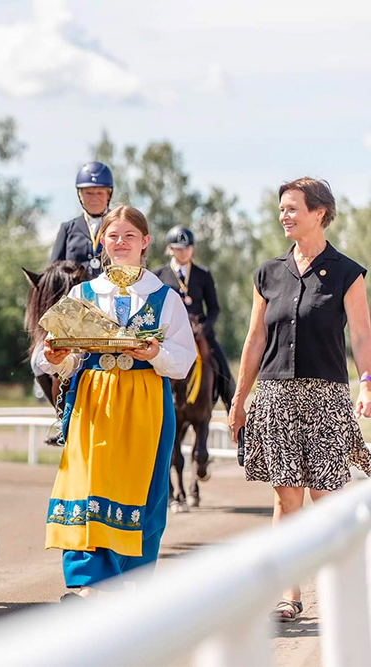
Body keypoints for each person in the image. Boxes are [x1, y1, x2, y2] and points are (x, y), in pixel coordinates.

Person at [33, 205, 195, 598]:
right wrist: (55, 358)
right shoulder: (81, 294)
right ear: (101, 242)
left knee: (144, 492)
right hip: (93, 403)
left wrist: (155, 353)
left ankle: (132, 585)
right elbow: (50, 353)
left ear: (145, 242)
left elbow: (184, 360)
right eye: (113, 236)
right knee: (86, 488)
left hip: (147, 404)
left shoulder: (165, 297)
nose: (120, 243)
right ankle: (87, 584)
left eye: (129, 236)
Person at [229, 177, 371, 622]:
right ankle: (287, 595)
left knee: (325, 498)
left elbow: (362, 336)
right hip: (274, 397)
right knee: (286, 501)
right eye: (282, 209)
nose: (284, 216)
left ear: (319, 212)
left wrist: (367, 382)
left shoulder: (348, 272)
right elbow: (254, 341)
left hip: (326, 397)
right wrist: (238, 399)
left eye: (293, 208)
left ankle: (339, 592)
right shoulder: (267, 274)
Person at [152, 226, 236, 412]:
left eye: (188, 247)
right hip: (170, 333)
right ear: (170, 249)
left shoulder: (203, 274)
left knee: (224, 369)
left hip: (200, 334)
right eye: (180, 248)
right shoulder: (158, 275)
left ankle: (233, 410)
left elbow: (214, 308)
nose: (184, 252)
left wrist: (204, 329)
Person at [49, 162, 115, 278]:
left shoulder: (118, 225)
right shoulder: (67, 228)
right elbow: (53, 271)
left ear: (109, 195)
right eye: (88, 193)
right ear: (79, 195)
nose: (94, 198)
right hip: (76, 293)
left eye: (100, 193)